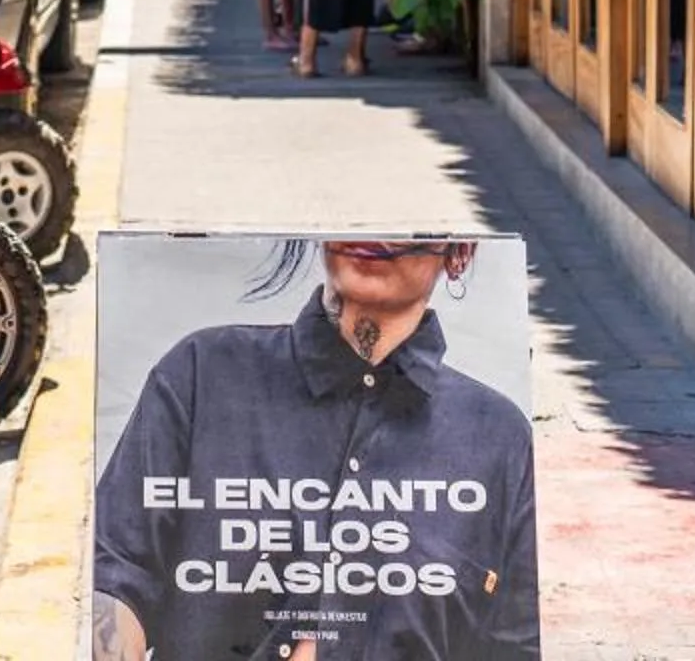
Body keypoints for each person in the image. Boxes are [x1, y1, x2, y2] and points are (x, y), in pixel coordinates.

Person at [92, 237, 542, 661]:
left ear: (459, 250)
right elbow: (114, 577)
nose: (378, 229)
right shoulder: (200, 374)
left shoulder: (500, 440)